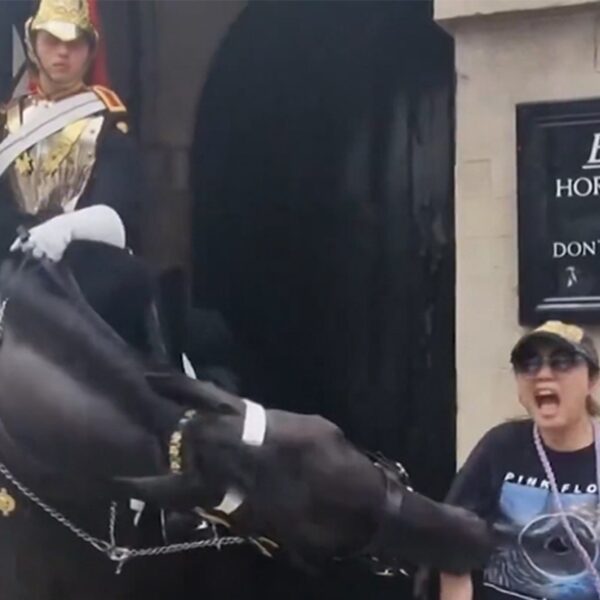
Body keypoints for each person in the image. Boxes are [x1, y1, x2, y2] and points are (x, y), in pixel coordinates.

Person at [0, 0, 170, 362]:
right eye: (51, 40)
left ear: (90, 50)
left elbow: (116, 215)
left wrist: (61, 232)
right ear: (32, 41)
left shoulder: (107, 127)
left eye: (75, 42)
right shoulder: (5, 128)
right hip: (13, 263)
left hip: (80, 268)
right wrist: (23, 235)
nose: (62, 51)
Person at [440, 320, 600, 600]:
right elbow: (453, 540)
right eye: (529, 364)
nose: (542, 375)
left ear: (592, 380)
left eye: (562, 363)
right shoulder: (500, 447)